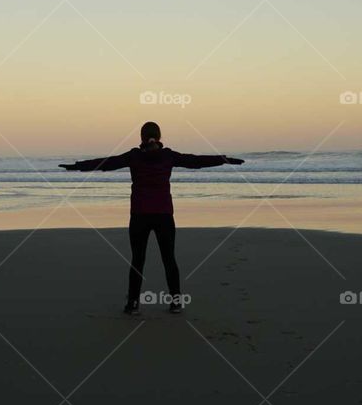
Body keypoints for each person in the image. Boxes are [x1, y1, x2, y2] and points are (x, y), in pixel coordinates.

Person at [59, 121, 244, 315]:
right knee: (169, 259)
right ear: (160, 136)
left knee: (137, 260)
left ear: (141, 137)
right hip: (164, 215)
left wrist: (77, 166)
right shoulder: (168, 156)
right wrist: (223, 159)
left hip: (139, 215)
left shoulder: (134, 156)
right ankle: (176, 303)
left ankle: (132, 305)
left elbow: (107, 163)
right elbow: (195, 161)